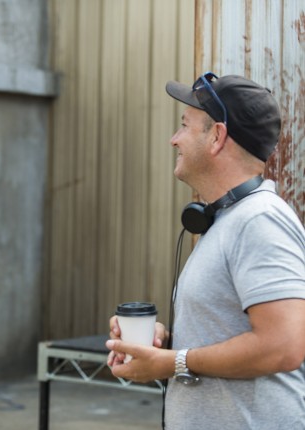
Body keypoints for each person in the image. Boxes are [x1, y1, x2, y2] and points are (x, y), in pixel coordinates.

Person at [106, 73, 305, 429]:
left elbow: (284, 346)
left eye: (184, 126)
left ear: (217, 137)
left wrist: (173, 362)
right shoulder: (229, 220)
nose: (174, 139)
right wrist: (162, 344)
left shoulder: (259, 220)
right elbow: (227, 334)